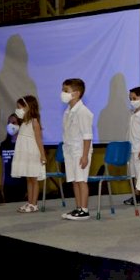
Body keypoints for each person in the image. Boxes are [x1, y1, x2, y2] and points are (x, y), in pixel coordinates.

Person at [61, 78, 93, 220]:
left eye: (66, 91)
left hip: (80, 151)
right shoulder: (68, 111)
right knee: (74, 180)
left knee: (81, 180)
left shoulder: (83, 112)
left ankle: (84, 209)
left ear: (76, 93)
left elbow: (87, 136)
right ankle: (78, 207)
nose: (62, 93)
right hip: (70, 150)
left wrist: (85, 155)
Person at [10, 96, 46, 212]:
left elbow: (39, 140)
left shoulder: (34, 122)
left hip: (33, 154)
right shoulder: (24, 123)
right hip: (25, 155)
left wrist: (42, 155)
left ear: (28, 107)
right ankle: (29, 202)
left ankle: (34, 204)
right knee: (28, 179)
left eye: (19, 107)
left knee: (34, 179)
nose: (17, 110)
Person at [124, 86, 140, 206]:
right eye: (130, 99)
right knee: (134, 173)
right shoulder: (133, 114)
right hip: (132, 148)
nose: (132, 101)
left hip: (139, 147)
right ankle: (136, 194)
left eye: (134, 98)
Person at [0, 113, 27, 203]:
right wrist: (2, 187)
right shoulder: (4, 145)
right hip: (8, 186)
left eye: (14, 122)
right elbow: (3, 168)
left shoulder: (24, 144)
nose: (11, 125)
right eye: (9, 123)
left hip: (21, 185)